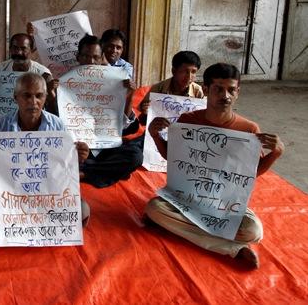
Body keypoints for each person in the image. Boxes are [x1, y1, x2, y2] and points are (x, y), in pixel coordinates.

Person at [145, 63, 284, 268]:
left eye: (231, 89)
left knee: (253, 231)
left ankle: (179, 227)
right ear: (207, 90)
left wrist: (276, 153)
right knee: (154, 208)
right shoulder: (188, 121)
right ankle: (231, 248)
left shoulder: (249, 129)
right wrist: (155, 135)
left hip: (224, 203)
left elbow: (250, 174)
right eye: (219, 89)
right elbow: (173, 158)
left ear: (238, 92)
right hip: (187, 197)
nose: (225, 95)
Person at [0, 73, 90, 228]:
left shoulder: (58, 126)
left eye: (39, 96)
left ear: (45, 97)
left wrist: (78, 157)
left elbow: (66, 169)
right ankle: (39, 227)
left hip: (49, 193)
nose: (33, 102)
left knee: (83, 209)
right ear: (15, 97)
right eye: (27, 96)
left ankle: (17, 227)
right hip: (11, 193)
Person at [48, 35, 144, 188]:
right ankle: (98, 172)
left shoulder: (114, 83)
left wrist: (129, 96)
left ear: (101, 59)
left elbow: (127, 128)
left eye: (95, 57)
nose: (90, 62)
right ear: (78, 57)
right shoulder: (64, 83)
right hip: (75, 146)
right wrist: (52, 97)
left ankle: (84, 173)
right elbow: (54, 122)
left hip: (105, 147)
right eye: (86, 56)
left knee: (135, 156)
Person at [139, 51, 204, 124]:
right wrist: (146, 112)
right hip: (160, 132)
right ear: (174, 71)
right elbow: (142, 121)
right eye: (185, 71)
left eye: (193, 72)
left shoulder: (197, 91)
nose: (189, 77)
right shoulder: (158, 88)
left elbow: (201, 120)